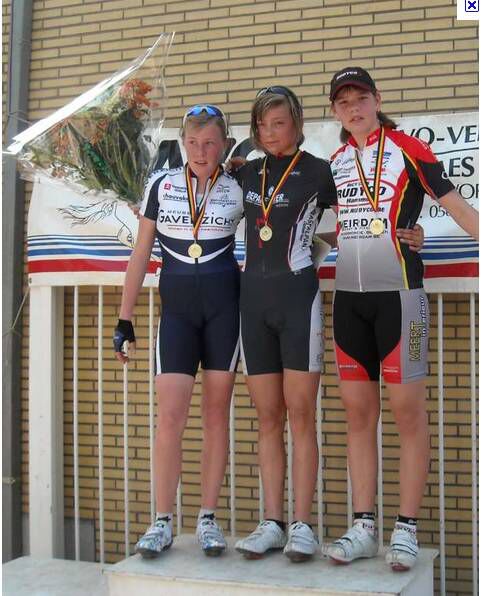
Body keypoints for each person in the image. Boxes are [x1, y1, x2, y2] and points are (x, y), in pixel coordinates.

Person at [324, 67, 479, 572]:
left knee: (408, 413)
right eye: (343, 101)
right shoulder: (335, 163)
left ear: (377, 99)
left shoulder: (409, 148)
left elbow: (458, 208)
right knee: (357, 416)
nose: (353, 108)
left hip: (401, 298)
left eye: (360, 98)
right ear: (335, 112)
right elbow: (319, 229)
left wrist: (419, 233)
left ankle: (406, 528)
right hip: (349, 302)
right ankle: (364, 526)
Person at [114, 104, 243, 558]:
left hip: (225, 312)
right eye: (192, 143)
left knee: (215, 415)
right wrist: (124, 318)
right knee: (170, 416)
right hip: (178, 316)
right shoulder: (161, 185)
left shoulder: (239, 185)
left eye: (209, 143)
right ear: (183, 144)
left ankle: (207, 518)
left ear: (224, 145)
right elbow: (140, 253)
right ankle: (162, 520)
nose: (201, 151)